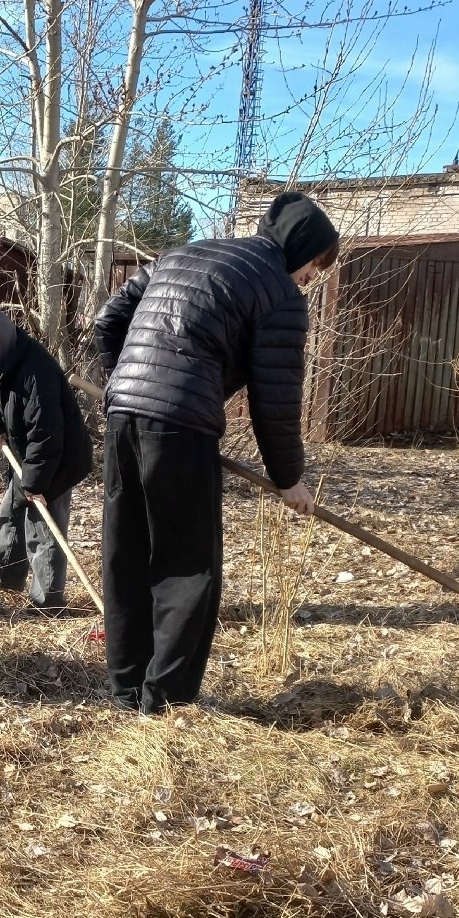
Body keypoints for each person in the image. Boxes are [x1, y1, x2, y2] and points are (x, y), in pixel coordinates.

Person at [91, 191, 338, 714]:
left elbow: (109, 320)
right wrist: (289, 476)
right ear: (302, 249)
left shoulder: (183, 254)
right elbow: (277, 395)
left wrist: (127, 380)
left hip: (122, 418)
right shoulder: (279, 293)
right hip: (182, 426)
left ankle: (125, 689)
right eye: (316, 266)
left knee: (127, 553)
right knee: (188, 565)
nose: (312, 279)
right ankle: (166, 702)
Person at [0, 304, 93, 614]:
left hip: (57, 461)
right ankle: (6, 577)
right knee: (10, 516)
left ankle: (47, 602)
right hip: (28, 456)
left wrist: (35, 484)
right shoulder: (0, 362)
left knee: (43, 530)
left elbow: (47, 435)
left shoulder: (37, 372)